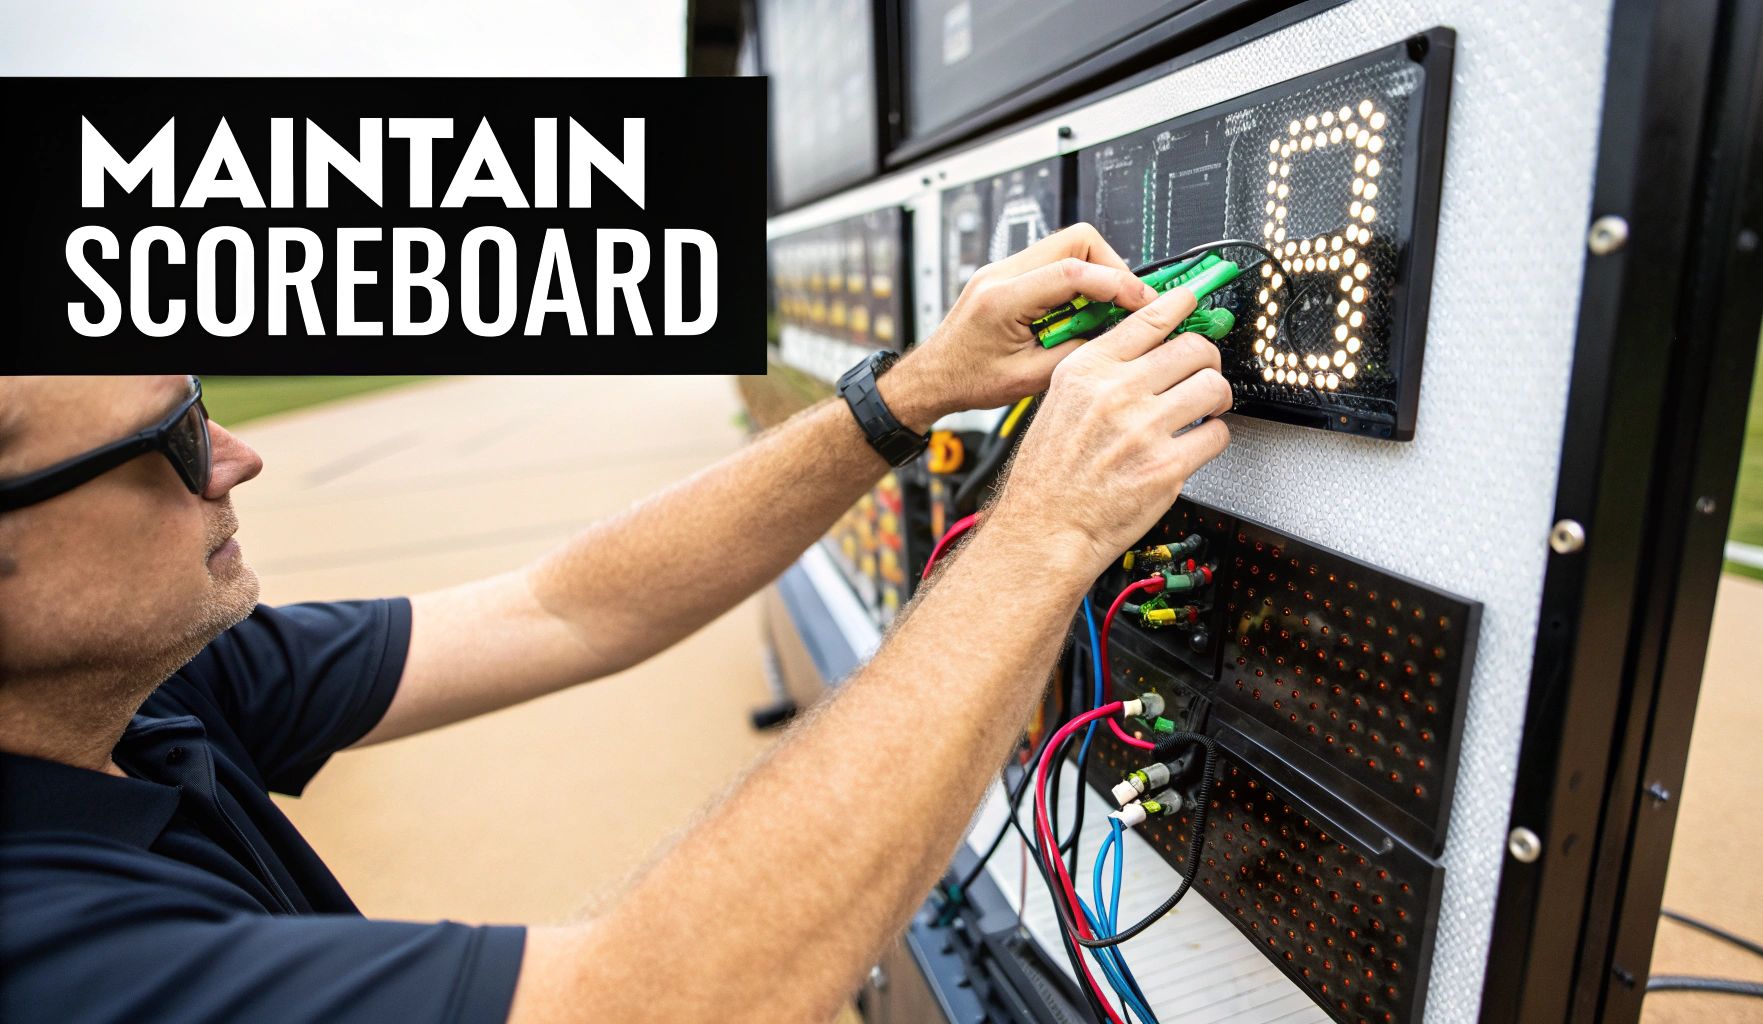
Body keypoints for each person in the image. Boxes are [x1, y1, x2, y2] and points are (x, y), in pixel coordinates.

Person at [0, 224, 1233, 1023]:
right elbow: (670, 1002)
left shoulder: (134, 689)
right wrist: (1044, 535)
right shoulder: (48, 958)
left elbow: (564, 608)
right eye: (170, 438)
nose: (236, 458)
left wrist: (908, 390)